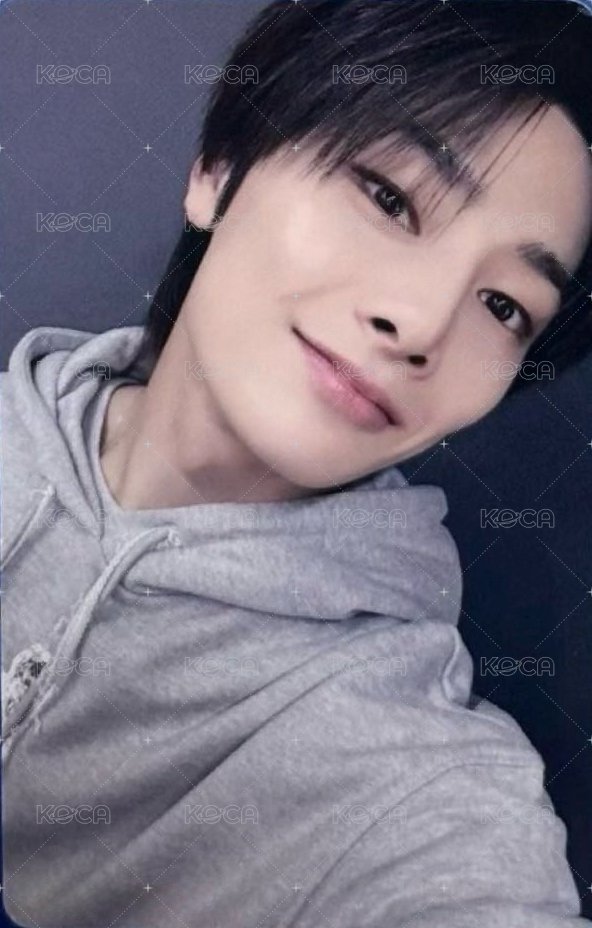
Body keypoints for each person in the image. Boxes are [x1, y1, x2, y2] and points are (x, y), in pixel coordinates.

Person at [2, 0, 591, 925]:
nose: (422, 322)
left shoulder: (406, 775)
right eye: (389, 197)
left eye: (504, 306)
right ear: (218, 169)